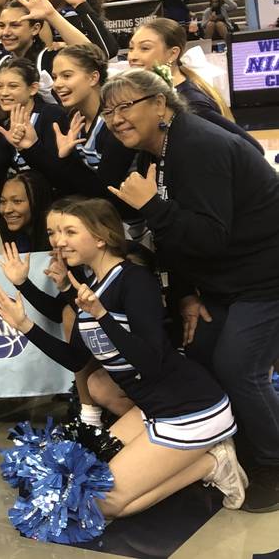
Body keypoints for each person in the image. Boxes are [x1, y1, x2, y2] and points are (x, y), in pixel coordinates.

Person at [0, 199, 248, 518]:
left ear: (101, 237)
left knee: (103, 502)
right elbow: (74, 360)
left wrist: (101, 315)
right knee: (89, 470)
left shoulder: (135, 280)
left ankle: (213, 464)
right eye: (55, 233)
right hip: (152, 408)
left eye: (70, 231)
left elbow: (151, 362)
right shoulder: (92, 285)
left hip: (191, 411)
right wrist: (24, 324)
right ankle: (206, 460)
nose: (58, 241)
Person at [99, 69, 279, 512]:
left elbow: (209, 236)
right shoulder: (157, 153)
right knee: (199, 355)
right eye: (109, 111)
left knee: (240, 367)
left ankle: (273, 464)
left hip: (267, 277)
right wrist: (185, 295)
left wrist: (152, 206)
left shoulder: (197, 145)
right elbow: (176, 241)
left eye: (127, 106)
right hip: (226, 280)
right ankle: (228, 448)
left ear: (161, 105)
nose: (117, 118)